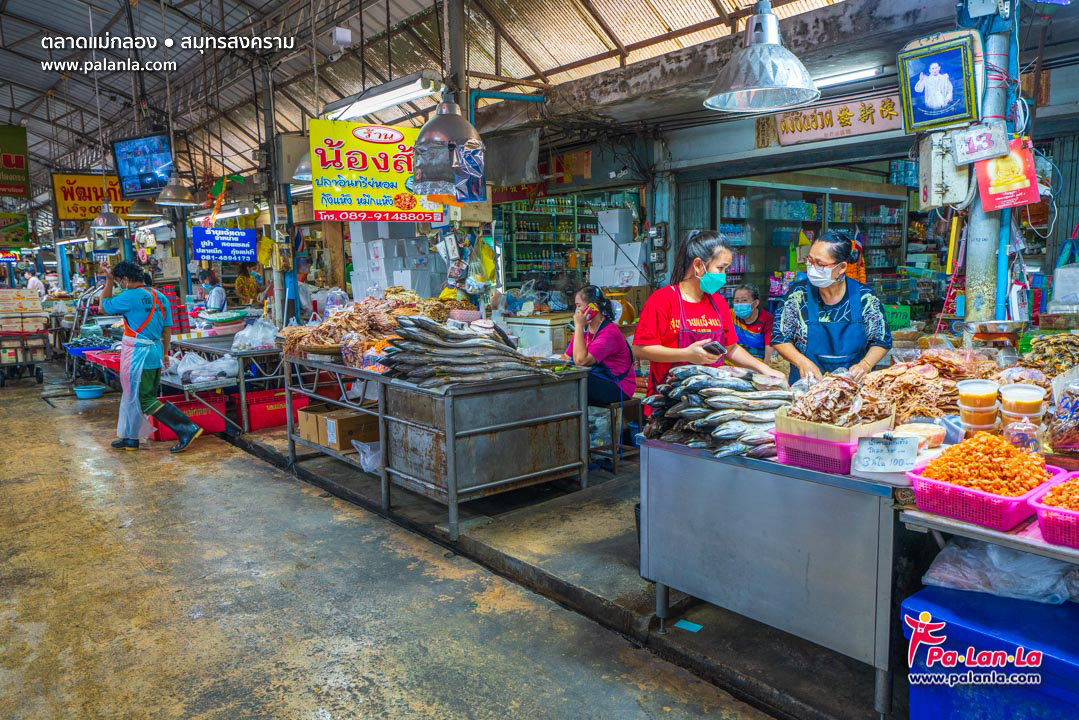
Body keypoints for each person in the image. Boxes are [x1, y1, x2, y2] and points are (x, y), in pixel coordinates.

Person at [633, 230, 784, 395]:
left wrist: (763, 368)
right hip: (669, 398)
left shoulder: (718, 302)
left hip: (710, 398)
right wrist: (685, 354)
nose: (724, 276)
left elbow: (731, 348)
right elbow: (640, 349)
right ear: (698, 265)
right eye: (720, 268)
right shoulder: (663, 299)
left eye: (726, 269)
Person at [101, 261, 203, 453]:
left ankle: (187, 428)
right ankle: (130, 438)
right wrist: (165, 353)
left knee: (143, 398)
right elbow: (167, 329)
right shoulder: (161, 297)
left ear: (124, 279)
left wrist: (108, 281)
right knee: (132, 395)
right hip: (155, 351)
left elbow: (103, 307)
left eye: (119, 281)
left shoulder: (129, 295)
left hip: (138, 354)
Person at [772, 231, 893, 384]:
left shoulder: (865, 298)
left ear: (841, 267)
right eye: (809, 260)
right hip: (807, 388)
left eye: (820, 264)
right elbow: (779, 337)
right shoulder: (797, 295)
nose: (811, 267)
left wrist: (865, 365)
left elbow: (881, 339)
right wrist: (801, 361)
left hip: (854, 389)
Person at [561, 286, 636, 406]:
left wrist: (579, 326)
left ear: (593, 307)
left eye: (579, 306)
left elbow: (581, 360)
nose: (577, 311)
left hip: (618, 386)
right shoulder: (585, 330)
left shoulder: (609, 332)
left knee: (575, 383)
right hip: (599, 380)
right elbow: (566, 356)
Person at [731, 284, 774, 363]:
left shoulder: (767, 319)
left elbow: (769, 350)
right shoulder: (730, 315)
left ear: (755, 303)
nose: (740, 304)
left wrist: (765, 370)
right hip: (732, 363)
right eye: (736, 301)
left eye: (744, 300)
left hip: (757, 365)